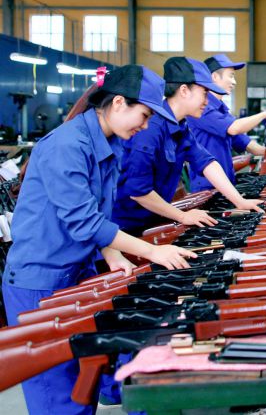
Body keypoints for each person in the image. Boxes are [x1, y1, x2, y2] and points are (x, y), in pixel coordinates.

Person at [2, 65, 197, 414]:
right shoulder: (67, 146)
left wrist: (112, 254)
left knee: (83, 388)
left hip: (75, 273)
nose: (145, 125)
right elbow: (85, 221)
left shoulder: (110, 143)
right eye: (144, 115)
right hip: (39, 282)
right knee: (58, 394)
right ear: (118, 102)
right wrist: (153, 252)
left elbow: (97, 211)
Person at [113, 57, 263, 234]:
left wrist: (240, 201)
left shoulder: (180, 126)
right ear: (184, 90)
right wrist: (182, 216)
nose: (207, 101)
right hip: (127, 228)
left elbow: (207, 162)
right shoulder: (150, 128)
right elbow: (138, 192)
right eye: (204, 93)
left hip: (154, 219)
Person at [186, 54, 266, 192]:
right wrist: (264, 114)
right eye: (231, 76)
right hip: (207, 188)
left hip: (225, 185)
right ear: (214, 77)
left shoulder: (221, 110)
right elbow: (233, 128)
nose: (234, 82)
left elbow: (246, 143)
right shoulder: (202, 108)